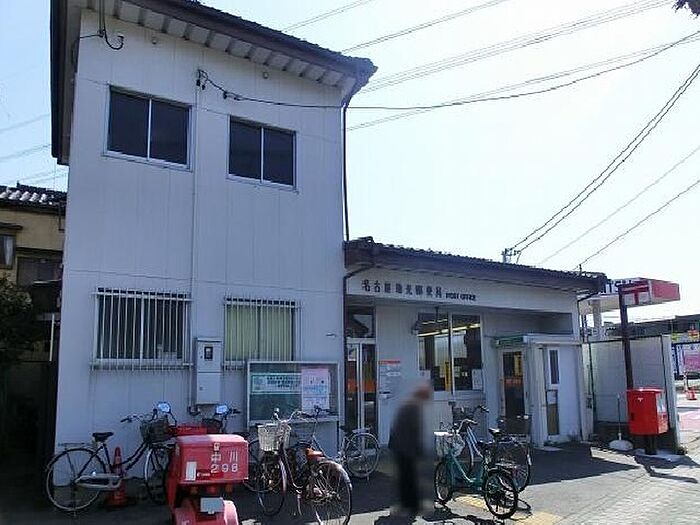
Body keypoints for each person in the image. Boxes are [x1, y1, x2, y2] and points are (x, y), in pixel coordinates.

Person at [388, 382, 432, 518]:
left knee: (406, 477)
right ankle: (411, 506)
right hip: (406, 448)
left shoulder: (407, 404)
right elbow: (415, 429)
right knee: (409, 478)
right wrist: (419, 449)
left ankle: (407, 505)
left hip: (399, 446)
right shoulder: (415, 407)